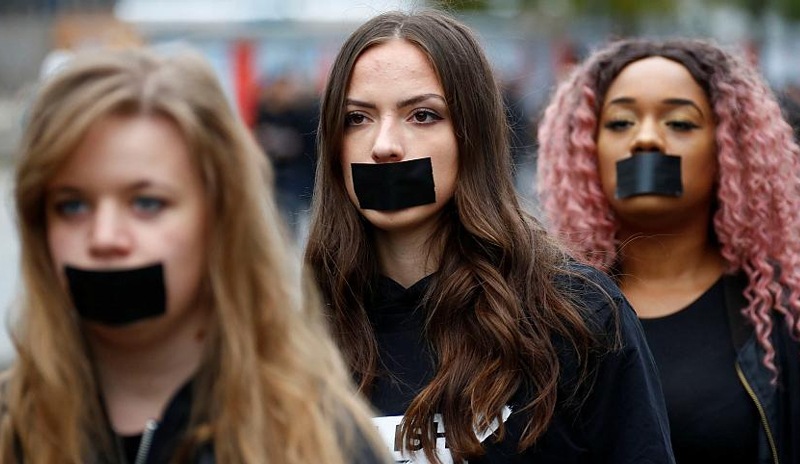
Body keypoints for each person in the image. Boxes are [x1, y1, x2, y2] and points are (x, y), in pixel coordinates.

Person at [305, 10, 674, 464]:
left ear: (472, 134)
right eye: (357, 118)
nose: (384, 145)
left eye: (422, 115)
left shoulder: (576, 316)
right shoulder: (288, 330)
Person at [0, 47, 389, 464]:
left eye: (147, 203)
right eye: (72, 206)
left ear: (220, 218)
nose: (104, 237)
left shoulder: (320, 442)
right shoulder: (12, 429)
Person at [536, 37, 800, 464]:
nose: (646, 140)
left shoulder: (784, 314)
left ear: (729, 150)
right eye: (620, 123)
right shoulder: (541, 312)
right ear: (585, 150)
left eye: (679, 123)